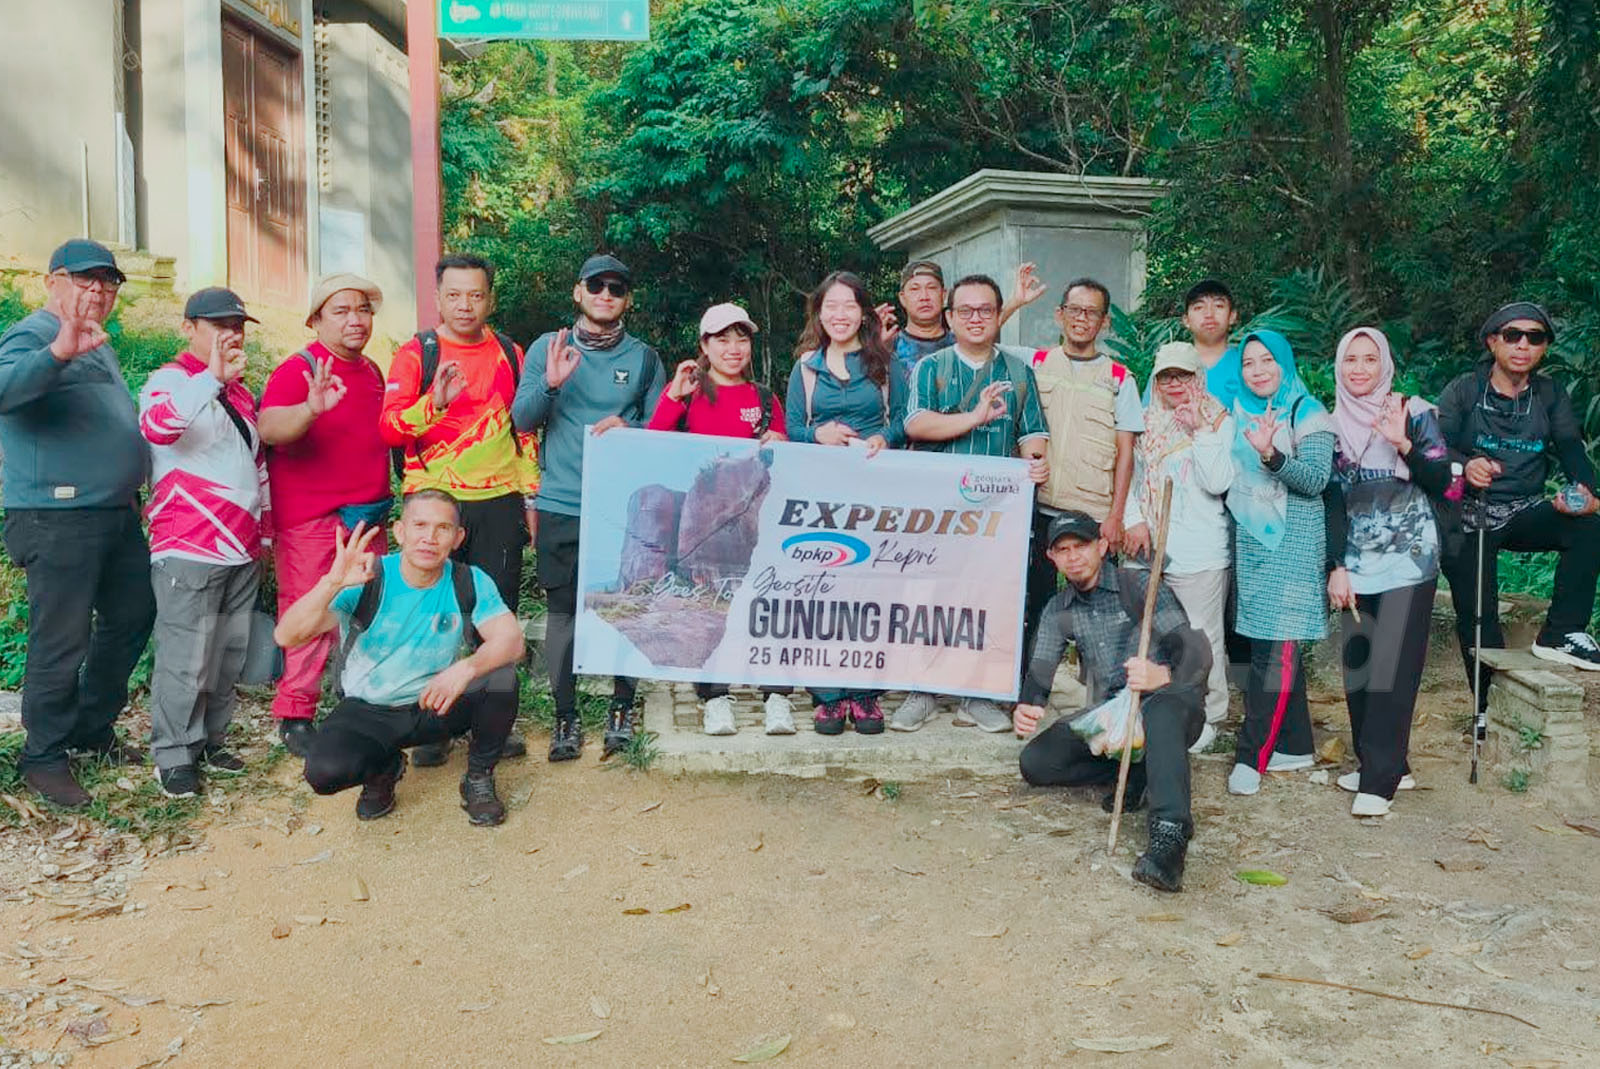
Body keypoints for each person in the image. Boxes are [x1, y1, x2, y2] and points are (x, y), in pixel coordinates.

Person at [0, 240, 154, 808]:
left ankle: (90, 728)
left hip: (112, 513)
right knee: (61, 639)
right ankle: (42, 754)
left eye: (108, 284)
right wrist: (58, 353)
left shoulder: (100, 346)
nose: (98, 292)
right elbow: (4, 392)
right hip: (55, 517)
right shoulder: (33, 335)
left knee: (136, 612)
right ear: (52, 282)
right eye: (85, 281)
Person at [280, 493, 524, 826]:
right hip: (368, 710)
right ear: (399, 531)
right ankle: (383, 771)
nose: (429, 538)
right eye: (419, 525)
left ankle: (478, 776)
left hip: (432, 702)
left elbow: (512, 641)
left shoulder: (469, 580)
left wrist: (466, 668)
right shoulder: (369, 577)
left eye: (443, 528)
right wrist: (331, 583)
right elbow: (287, 636)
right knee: (324, 773)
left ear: (458, 538)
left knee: (501, 679)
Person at [379, 253, 538, 764]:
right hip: (435, 503)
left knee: (495, 614)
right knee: (430, 613)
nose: (465, 305)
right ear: (438, 297)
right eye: (454, 295)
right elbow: (388, 429)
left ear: (490, 298)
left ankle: (490, 724)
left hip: (498, 500)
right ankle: (432, 726)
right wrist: (436, 405)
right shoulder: (416, 355)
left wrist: (529, 497)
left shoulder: (511, 354)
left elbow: (525, 431)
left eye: (475, 295)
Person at [512, 254, 666, 760]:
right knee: (562, 616)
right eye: (596, 285)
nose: (606, 294)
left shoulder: (644, 358)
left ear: (628, 299)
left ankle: (622, 707)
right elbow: (522, 419)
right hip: (563, 502)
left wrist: (633, 429)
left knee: (629, 610)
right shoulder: (547, 347)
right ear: (578, 292)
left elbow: (664, 431)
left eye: (616, 288)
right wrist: (551, 382)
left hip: (624, 507)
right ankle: (565, 716)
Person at [1012, 511, 1211, 893]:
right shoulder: (1059, 608)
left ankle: (1169, 839)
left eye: (1081, 546)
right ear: (1051, 558)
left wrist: (1162, 676)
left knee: (1163, 711)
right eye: (1062, 550)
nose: (1073, 557)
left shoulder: (1138, 585)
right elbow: (1040, 669)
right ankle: (1139, 771)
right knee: (1035, 762)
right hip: (1114, 715)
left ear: (1102, 546)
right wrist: (1027, 704)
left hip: (1166, 703)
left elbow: (1196, 652)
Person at [893, 274, 1050, 732]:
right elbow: (917, 425)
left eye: (985, 310)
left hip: (997, 513)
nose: (976, 319)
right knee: (931, 598)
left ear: (998, 315)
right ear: (950, 317)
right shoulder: (932, 368)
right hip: (938, 511)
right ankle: (921, 690)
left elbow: (1032, 432)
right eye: (966, 311)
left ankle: (975, 696)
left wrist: (1036, 464)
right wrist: (976, 416)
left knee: (987, 600)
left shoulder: (1018, 372)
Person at [138, 288, 269, 798]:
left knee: (225, 654)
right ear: (189, 328)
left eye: (237, 325)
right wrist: (210, 378)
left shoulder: (240, 392)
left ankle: (210, 740)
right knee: (185, 655)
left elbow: (256, 465)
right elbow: (159, 427)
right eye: (217, 324)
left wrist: (267, 531)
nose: (230, 333)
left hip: (241, 546)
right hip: (188, 544)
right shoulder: (169, 381)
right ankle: (173, 754)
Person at [646, 302, 795, 735]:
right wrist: (674, 395)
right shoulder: (688, 393)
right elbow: (652, 444)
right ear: (704, 346)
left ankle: (777, 697)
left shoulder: (765, 398)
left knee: (768, 604)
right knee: (713, 607)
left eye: (741, 338)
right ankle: (714, 698)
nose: (733, 348)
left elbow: (784, 459)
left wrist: (780, 443)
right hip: (706, 526)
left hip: (756, 524)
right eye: (722, 339)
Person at [258, 274, 391, 756]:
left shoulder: (373, 370)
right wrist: (310, 410)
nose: (356, 320)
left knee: (368, 612)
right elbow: (270, 427)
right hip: (316, 518)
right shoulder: (300, 368)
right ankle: (295, 713)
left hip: (368, 513)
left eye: (363, 309)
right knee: (313, 612)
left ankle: (359, 699)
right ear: (315, 320)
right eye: (341, 311)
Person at [1325, 328, 1454, 816]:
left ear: (1385, 365)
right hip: (1356, 564)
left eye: (1369, 359)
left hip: (1410, 559)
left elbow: (1445, 483)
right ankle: (1381, 761)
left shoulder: (1414, 411)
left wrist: (1403, 445)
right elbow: (1332, 502)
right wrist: (1336, 567)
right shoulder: (1330, 423)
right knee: (1359, 666)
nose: (1359, 369)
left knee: (1393, 671)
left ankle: (1379, 782)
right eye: (1351, 360)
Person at [1437, 302, 1600, 688]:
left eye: (1535, 337)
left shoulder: (1549, 394)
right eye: (1513, 336)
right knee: (1479, 614)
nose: (1523, 345)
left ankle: (1562, 632)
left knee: (1588, 527)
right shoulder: (1464, 389)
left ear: (1543, 348)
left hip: (1523, 510)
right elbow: (1435, 448)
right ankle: (1486, 709)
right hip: (1468, 514)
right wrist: (1465, 465)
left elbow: (1571, 448)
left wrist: (1584, 490)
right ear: (1493, 342)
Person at [784, 270, 909, 734]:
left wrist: (883, 437)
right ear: (819, 312)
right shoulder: (805, 369)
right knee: (824, 591)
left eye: (849, 306)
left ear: (864, 313)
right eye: (830, 306)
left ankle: (866, 694)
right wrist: (818, 433)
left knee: (870, 592)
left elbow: (903, 422)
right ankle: (828, 696)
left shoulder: (885, 364)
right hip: (821, 497)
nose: (840, 315)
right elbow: (793, 427)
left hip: (874, 498)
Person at [1219, 330, 1335, 796]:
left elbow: (1316, 479)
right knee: (1271, 647)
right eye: (1249, 363)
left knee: (1276, 652)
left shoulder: (1308, 412)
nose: (1259, 370)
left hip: (1292, 544)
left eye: (1268, 360)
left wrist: (1271, 454)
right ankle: (1295, 743)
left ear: (1285, 364)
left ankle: (1253, 757)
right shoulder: (1236, 413)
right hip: (1252, 546)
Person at [1024, 277, 1144, 670]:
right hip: (1040, 508)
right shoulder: (1034, 364)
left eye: (1092, 312)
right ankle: (1028, 691)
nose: (1082, 319)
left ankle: (1104, 697)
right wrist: (1015, 301)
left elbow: (1126, 451)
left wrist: (1116, 516)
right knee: (1036, 604)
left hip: (1093, 514)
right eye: (1074, 310)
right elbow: (983, 339)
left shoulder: (1120, 378)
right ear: (1060, 315)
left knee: (1103, 613)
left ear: (1104, 322)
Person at [1123, 342, 1236, 754]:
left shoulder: (1218, 419)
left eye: (1183, 375)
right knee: (1151, 633)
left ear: (1197, 378)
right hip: (1148, 546)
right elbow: (1129, 479)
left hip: (1199, 549)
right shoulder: (1145, 423)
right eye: (1166, 376)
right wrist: (1133, 519)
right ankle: (1158, 706)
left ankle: (1207, 715)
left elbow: (1218, 481)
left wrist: (1199, 431)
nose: (1174, 384)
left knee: (1202, 639)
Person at [878, 261, 1048, 380]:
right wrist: (874, 345)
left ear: (944, 295)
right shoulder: (888, 343)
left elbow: (982, 327)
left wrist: (1015, 302)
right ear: (902, 298)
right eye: (915, 289)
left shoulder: (959, 342)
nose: (924, 297)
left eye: (931, 288)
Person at [1179, 279, 1242, 406]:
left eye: (1218, 306)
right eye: (1198, 307)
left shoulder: (1249, 363)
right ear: (1186, 320)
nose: (1209, 314)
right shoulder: (1170, 364)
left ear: (1232, 316)